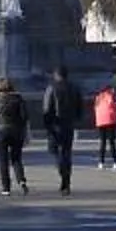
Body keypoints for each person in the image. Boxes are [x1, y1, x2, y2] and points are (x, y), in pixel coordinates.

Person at [41, 67, 83, 195]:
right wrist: (76, 119)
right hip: (68, 124)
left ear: (56, 75)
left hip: (55, 125)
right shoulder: (74, 88)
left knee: (55, 151)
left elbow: (47, 108)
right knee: (66, 152)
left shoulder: (51, 88)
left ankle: (63, 173)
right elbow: (80, 106)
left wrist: (47, 125)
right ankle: (66, 180)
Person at [0, 76, 30, 195]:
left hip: (2, 131)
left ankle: (6, 188)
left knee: (3, 161)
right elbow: (24, 116)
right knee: (17, 158)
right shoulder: (18, 99)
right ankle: (21, 180)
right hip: (17, 131)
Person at [92, 79, 116, 170]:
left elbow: (96, 108)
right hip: (110, 121)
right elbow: (115, 108)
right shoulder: (111, 96)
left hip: (100, 122)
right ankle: (115, 162)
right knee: (112, 143)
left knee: (102, 143)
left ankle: (101, 162)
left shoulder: (98, 97)